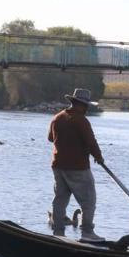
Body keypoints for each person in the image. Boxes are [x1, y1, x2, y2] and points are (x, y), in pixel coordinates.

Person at [48, 87, 105, 242]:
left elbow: (50, 138)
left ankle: (58, 233)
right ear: (81, 104)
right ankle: (87, 232)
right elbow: (91, 142)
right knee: (89, 200)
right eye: (86, 105)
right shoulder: (81, 120)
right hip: (77, 167)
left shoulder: (57, 118)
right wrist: (99, 157)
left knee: (60, 199)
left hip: (58, 165)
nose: (87, 108)